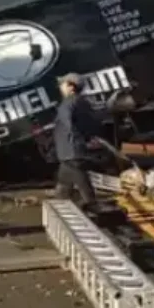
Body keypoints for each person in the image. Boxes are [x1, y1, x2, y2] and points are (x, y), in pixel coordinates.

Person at [53, 73, 101, 210]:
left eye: (62, 84)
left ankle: (94, 208)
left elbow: (67, 123)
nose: (60, 87)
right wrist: (88, 139)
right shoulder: (82, 102)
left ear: (71, 87)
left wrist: (76, 141)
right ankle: (62, 205)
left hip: (71, 151)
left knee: (81, 180)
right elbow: (91, 124)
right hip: (71, 151)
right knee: (64, 181)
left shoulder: (68, 103)